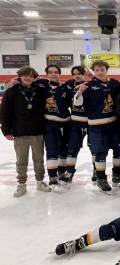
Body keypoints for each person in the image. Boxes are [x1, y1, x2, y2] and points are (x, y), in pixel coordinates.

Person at [0, 66, 52, 197]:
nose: (28, 78)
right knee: (22, 161)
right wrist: (6, 130)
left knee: (39, 159)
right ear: (20, 76)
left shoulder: (40, 90)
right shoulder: (11, 92)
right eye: (25, 75)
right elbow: (4, 112)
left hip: (37, 132)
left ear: (35, 77)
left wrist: (40, 80)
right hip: (20, 132)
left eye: (31, 76)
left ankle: (40, 182)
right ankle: (21, 184)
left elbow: (50, 87)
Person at [74, 60, 120, 193]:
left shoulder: (114, 84)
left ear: (106, 70)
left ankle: (117, 175)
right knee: (100, 153)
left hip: (113, 125)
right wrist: (79, 92)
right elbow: (77, 104)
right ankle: (101, 178)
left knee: (118, 151)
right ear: (94, 71)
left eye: (102, 69)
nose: (100, 72)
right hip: (96, 127)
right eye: (97, 70)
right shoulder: (88, 86)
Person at [36, 64, 72, 187]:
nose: (53, 74)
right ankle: (52, 177)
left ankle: (61, 173)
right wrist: (17, 81)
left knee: (64, 150)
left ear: (59, 73)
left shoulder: (66, 87)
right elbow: (27, 82)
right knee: (51, 150)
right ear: (47, 74)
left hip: (66, 123)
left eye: (56, 71)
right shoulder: (41, 85)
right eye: (50, 72)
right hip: (50, 124)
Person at [64, 66, 96, 183]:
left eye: (79, 73)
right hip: (75, 123)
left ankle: (96, 171)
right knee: (72, 148)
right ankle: (69, 171)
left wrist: (93, 77)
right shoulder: (68, 84)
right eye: (74, 73)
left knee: (94, 148)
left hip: (91, 122)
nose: (77, 75)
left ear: (84, 74)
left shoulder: (91, 84)